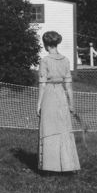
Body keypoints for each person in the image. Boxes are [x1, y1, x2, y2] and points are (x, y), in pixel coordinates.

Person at [37, 30, 80, 175]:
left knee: (49, 130)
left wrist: (38, 104)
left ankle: (51, 167)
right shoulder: (66, 60)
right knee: (63, 130)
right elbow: (68, 85)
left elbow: (42, 84)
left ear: (46, 44)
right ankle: (66, 165)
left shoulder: (45, 61)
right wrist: (71, 104)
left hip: (49, 95)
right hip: (61, 95)